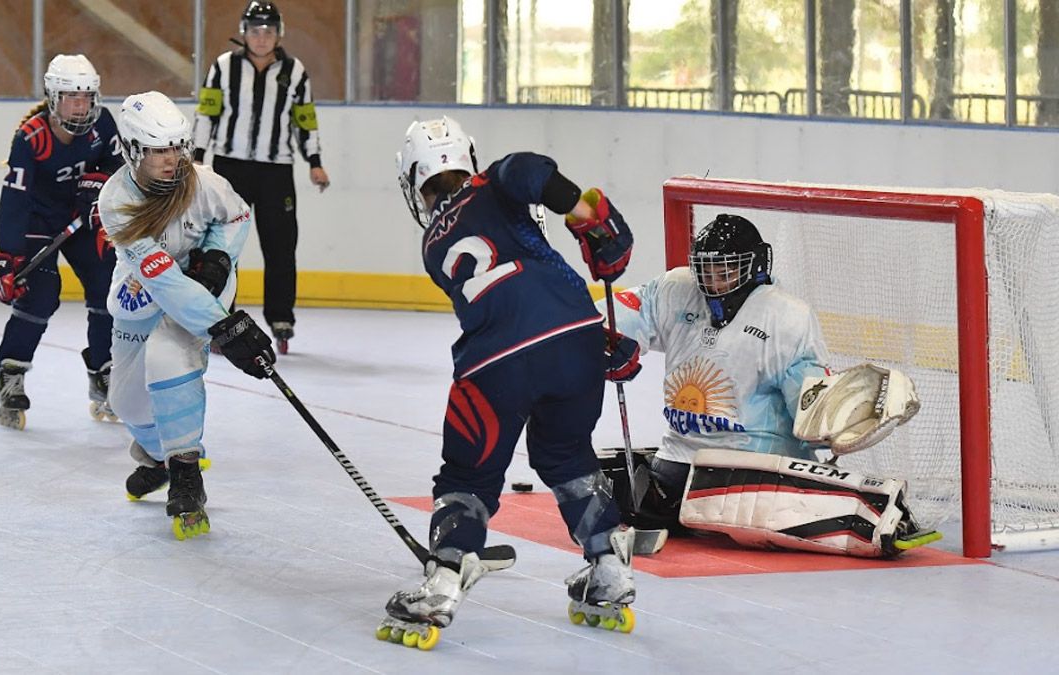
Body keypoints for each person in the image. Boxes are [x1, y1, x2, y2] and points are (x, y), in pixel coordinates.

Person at [376, 116, 639, 651]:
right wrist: (590, 216)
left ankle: (445, 578)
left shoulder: (432, 244)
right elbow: (530, 170)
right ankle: (608, 566)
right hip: (577, 335)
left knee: (467, 476)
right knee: (568, 456)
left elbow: (520, 181)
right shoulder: (494, 181)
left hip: (495, 360)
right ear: (466, 160)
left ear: (416, 182)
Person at [597, 213, 941, 558]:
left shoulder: (785, 316)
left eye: (726, 270)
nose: (712, 281)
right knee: (597, 476)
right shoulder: (675, 289)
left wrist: (844, 420)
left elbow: (809, 407)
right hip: (679, 459)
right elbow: (611, 316)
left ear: (755, 266)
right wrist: (604, 342)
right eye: (705, 269)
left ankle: (874, 513)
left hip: (755, 467)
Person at [97, 91, 277, 541]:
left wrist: (217, 257)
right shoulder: (115, 201)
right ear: (133, 150)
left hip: (200, 285)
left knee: (169, 360)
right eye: (158, 150)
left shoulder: (205, 182)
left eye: (177, 146)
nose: (172, 159)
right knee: (125, 401)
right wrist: (222, 327)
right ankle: (159, 457)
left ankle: (185, 470)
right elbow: (161, 279)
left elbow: (236, 216)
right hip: (147, 285)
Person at [0, 54, 124, 430]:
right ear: (53, 97)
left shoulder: (104, 125)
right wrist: (9, 256)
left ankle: (103, 371)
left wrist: (99, 183)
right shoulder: (31, 137)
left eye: (86, 97)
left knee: (105, 284)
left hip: (81, 222)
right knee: (41, 291)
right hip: (38, 223)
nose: (80, 106)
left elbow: (119, 168)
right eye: (70, 97)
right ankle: (12, 371)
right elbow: (14, 200)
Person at [191, 0, 330, 355]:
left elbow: (305, 120)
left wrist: (314, 160)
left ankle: (281, 318)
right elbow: (207, 114)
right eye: (256, 31)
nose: (262, 38)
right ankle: (221, 315)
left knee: (281, 246)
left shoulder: (295, 72)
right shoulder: (222, 68)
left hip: (276, 170)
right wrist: (197, 158)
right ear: (244, 32)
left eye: (269, 31)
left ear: (278, 34)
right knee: (221, 246)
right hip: (230, 169)